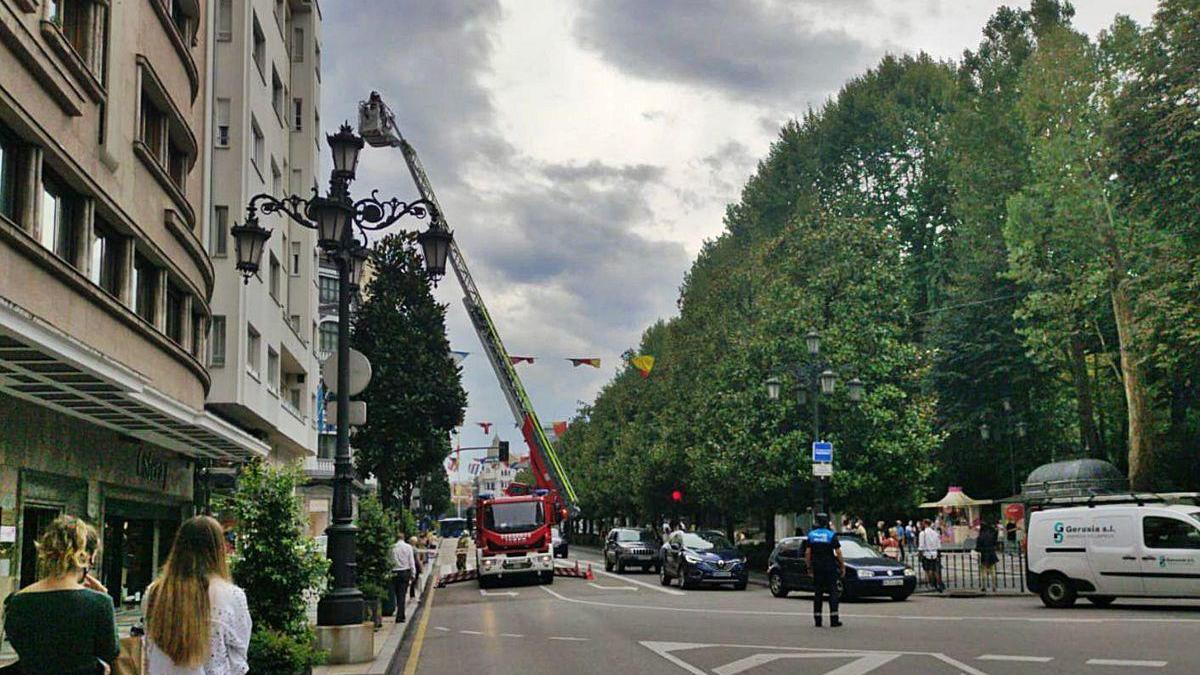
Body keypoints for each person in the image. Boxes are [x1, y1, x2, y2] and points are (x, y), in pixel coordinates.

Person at [2, 515, 119, 674]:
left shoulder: (18, 601)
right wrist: (103, 596)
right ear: (87, 557)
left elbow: (20, 646)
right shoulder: (100, 603)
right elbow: (110, 651)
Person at [144, 515, 251, 675]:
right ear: (218, 550)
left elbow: (149, 648)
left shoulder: (154, 593)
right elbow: (239, 659)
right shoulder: (232, 596)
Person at [804, 513, 845, 628]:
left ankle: (818, 620)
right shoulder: (831, 535)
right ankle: (834, 619)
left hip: (817, 567)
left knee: (818, 593)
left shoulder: (811, 535)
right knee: (833, 592)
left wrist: (809, 567)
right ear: (827, 522)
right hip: (830, 567)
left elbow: (807, 553)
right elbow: (838, 552)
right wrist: (842, 566)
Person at [391, 530, 417, 622]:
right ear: (403, 538)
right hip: (405, 572)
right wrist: (413, 573)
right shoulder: (408, 547)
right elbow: (411, 561)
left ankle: (400, 614)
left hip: (394, 572)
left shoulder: (392, 547)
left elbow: (390, 561)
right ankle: (400, 616)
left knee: (397, 594)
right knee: (402, 594)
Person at [918, 518, 945, 592]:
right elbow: (939, 545)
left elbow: (921, 546)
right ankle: (939, 584)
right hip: (935, 553)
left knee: (928, 570)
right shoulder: (935, 533)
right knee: (935, 570)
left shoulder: (922, 533)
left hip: (926, 553)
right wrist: (938, 554)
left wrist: (920, 556)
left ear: (925, 524)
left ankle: (932, 584)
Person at [975, 522, 999, 593]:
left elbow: (978, 548)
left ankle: (984, 586)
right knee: (993, 571)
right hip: (992, 553)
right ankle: (994, 586)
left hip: (984, 554)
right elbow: (995, 542)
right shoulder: (991, 535)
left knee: (983, 571)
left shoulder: (980, 537)